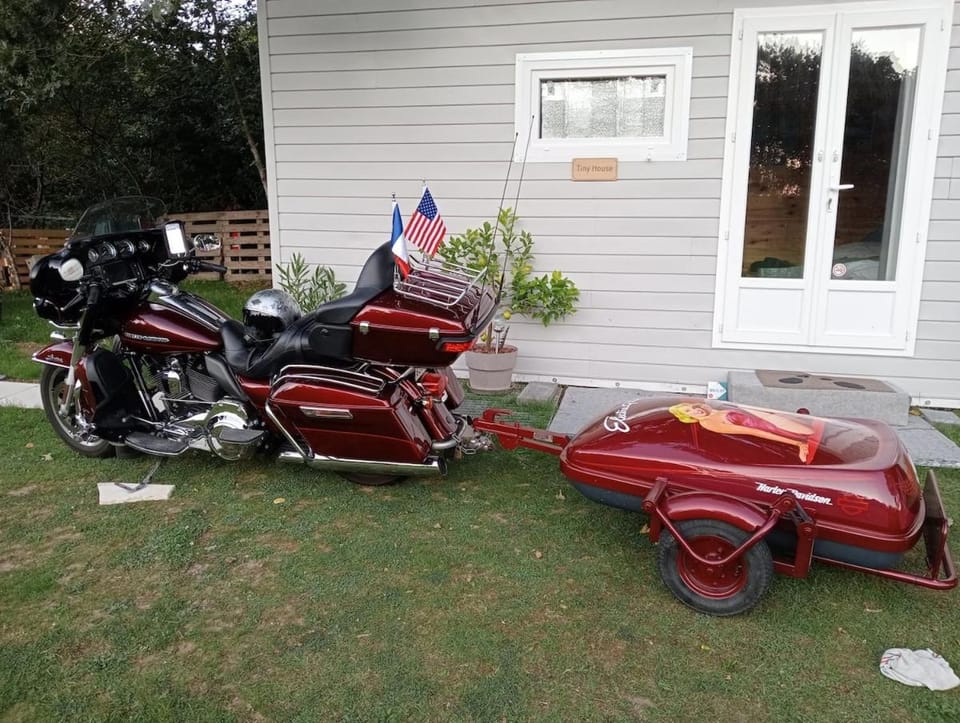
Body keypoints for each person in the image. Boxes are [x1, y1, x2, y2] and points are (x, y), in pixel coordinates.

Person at [669, 401, 823, 463]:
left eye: (691, 407)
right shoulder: (709, 423)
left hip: (773, 421)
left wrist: (781, 416)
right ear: (688, 417)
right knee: (811, 439)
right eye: (689, 412)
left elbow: (756, 412)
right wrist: (796, 443)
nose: (695, 411)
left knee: (813, 433)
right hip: (772, 430)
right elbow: (752, 432)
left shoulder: (716, 408)